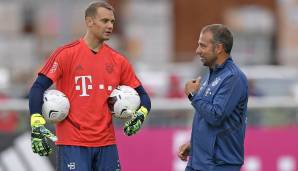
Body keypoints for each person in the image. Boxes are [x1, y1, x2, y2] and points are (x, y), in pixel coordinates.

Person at [28, 1, 151, 171]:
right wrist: (36, 121)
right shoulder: (66, 54)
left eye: (112, 22)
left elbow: (144, 96)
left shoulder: (119, 61)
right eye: (105, 21)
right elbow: (38, 87)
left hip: (107, 144)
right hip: (73, 144)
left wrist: (141, 114)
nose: (110, 26)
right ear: (89, 21)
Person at [178, 24, 248, 171]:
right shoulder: (209, 74)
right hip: (198, 162)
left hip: (219, 165)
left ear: (218, 48)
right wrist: (194, 145)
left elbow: (216, 116)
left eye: (203, 46)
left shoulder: (233, 78)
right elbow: (206, 117)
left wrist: (193, 95)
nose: (198, 51)